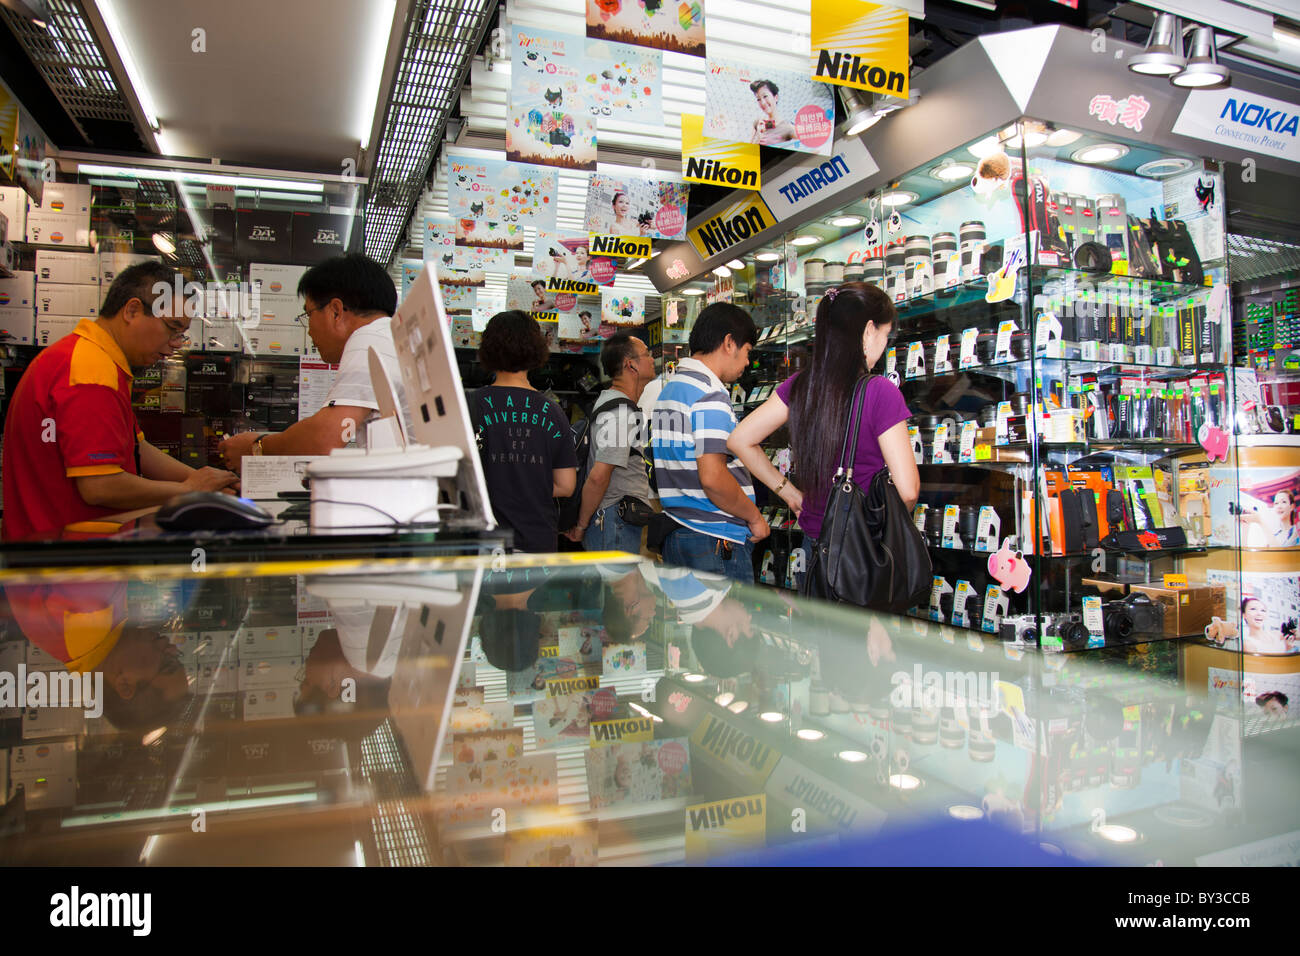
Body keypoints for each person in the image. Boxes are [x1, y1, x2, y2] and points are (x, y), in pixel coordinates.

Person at [1, 262, 237, 540]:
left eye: (181, 334)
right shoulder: (91, 372)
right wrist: (189, 491)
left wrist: (207, 483)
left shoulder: (94, 360)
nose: (176, 343)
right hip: (64, 567)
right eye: (173, 328)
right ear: (132, 310)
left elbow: (138, 449)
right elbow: (100, 486)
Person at [729, 282, 919, 575]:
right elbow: (907, 491)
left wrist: (789, 493)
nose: (885, 345)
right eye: (885, 334)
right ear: (868, 330)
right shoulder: (880, 392)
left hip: (814, 546)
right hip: (866, 551)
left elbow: (740, 439)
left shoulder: (801, 385)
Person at [219, 253, 412, 470]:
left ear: (336, 311)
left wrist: (256, 448)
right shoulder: (390, 337)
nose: (309, 330)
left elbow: (326, 438)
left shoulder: (370, 339)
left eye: (308, 314)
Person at [652, 302, 767, 581]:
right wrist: (754, 518)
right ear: (729, 343)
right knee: (729, 626)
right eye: (748, 351)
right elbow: (714, 478)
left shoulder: (672, 389)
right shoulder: (709, 393)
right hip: (715, 539)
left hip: (679, 533)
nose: (747, 363)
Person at [470, 310, 577, 553]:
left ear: (488, 349)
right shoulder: (553, 411)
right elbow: (566, 485)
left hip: (483, 541)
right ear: (536, 349)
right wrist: (527, 481)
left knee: (485, 592)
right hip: (537, 538)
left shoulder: (469, 405)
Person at [563, 333, 656, 554]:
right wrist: (581, 525)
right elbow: (598, 476)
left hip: (614, 520)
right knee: (618, 587)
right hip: (613, 521)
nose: (653, 358)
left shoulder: (611, 403)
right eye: (647, 354)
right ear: (630, 365)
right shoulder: (620, 412)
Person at [749, 79, 796, 146]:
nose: (763, 103)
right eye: (758, 99)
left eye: (765, 96)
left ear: (776, 97)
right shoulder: (758, 123)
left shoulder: (788, 127)